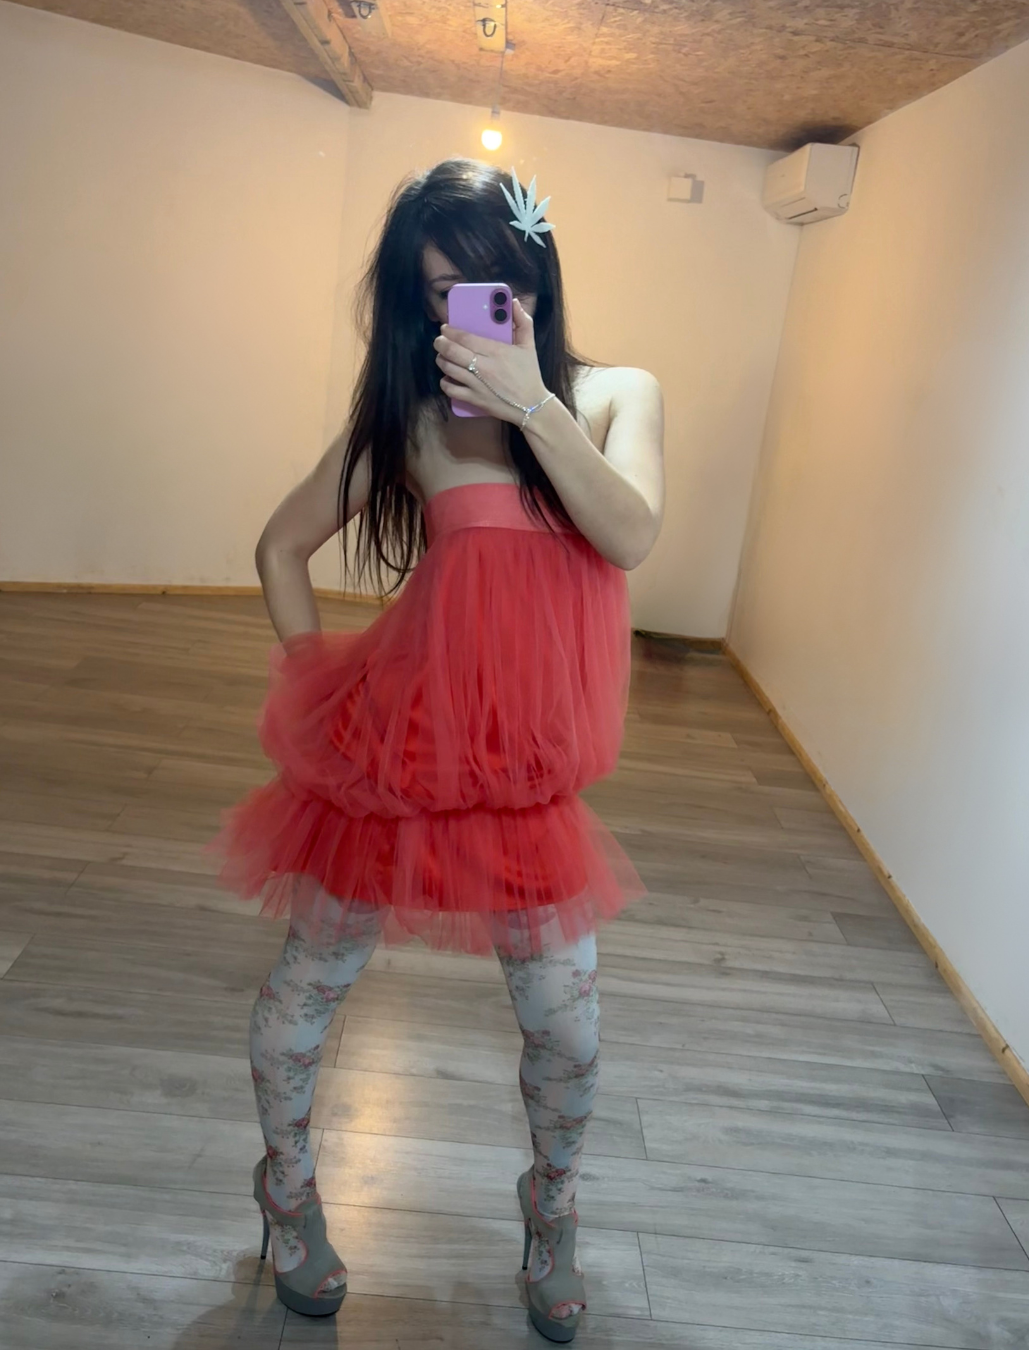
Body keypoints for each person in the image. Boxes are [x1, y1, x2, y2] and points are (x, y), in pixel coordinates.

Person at [209, 157, 664, 1342]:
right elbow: (280, 546)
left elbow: (630, 534)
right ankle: (288, 1190)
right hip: (399, 749)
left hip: (528, 773)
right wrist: (316, 686)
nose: (472, 306)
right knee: (308, 990)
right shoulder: (413, 418)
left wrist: (530, 403)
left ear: (537, 271)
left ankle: (551, 1207)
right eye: (441, 289)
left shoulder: (618, 395)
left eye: (495, 280)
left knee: (568, 1028)